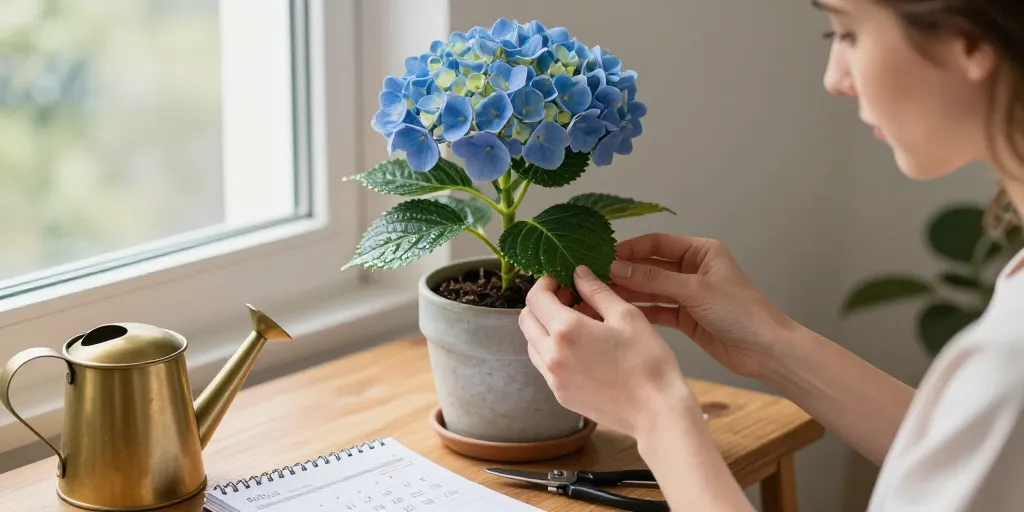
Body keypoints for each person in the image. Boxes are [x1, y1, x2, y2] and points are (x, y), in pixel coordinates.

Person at [519, 0, 1024, 510]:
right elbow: (978, 455)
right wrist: (772, 343)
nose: (834, 79)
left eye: (848, 33)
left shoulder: (1010, 359)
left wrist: (655, 413)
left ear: (968, 39)